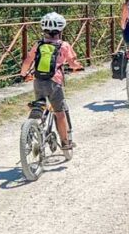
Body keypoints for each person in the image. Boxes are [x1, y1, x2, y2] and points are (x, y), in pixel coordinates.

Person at [20, 12, 83, 149]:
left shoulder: (38, 45)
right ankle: (66, 143)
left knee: (40, 105)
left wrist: (24, 74)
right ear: (60, 30)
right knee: (59, 113)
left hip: (38, 81)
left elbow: (28, 61)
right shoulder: (64, 45)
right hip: (55, 82)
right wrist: (78, 67)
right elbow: (72, 63)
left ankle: (31, 129)